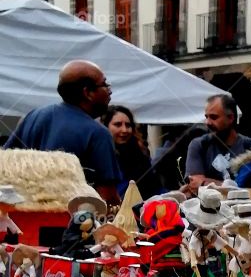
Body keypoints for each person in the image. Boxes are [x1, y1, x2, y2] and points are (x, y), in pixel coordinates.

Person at [4, 61, 120, 202]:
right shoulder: (98, 134)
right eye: (104, 84)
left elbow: (4, 165)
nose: (109, 90)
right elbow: (107, 198)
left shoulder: (33, 116)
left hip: (23, 219)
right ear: (87, 92)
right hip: (74, 220)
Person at [183, 94, 251, 192]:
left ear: (231, 118)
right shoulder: (199, 145)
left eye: (213, 117)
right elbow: (194, 186)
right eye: (206, 117)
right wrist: (233, 187)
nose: (207, 122)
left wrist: (204, 183)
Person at [102, 104, 150, 193]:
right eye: (118, 124)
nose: (124, 130)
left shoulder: (140, 155)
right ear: (105, 127)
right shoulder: (99, 156)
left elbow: (154, 188)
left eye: (128, 125)